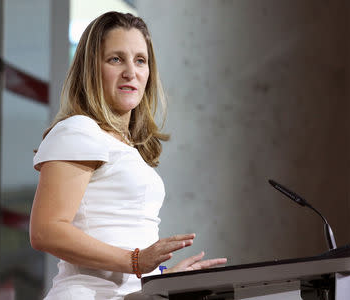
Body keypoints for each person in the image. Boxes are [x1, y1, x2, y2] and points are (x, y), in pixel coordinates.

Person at [29, 11, 227, 300]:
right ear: (91, 69)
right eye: (115, 59)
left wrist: (162, 278)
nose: (131, 72)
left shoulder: (128, 147)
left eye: (140, 60)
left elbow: (120, 235)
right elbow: (45, 231)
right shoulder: (79, 129)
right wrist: (135, 261)